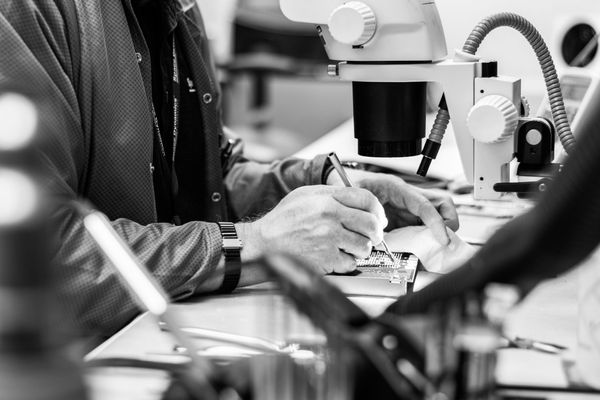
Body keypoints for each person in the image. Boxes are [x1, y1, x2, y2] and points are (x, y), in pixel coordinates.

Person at [0, 0, 458, 337]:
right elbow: (40, 261)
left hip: (154, 327)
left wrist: (321, 187)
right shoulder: (27, 13)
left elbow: (206, 172)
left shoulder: (176, 10)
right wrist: (255, 245)